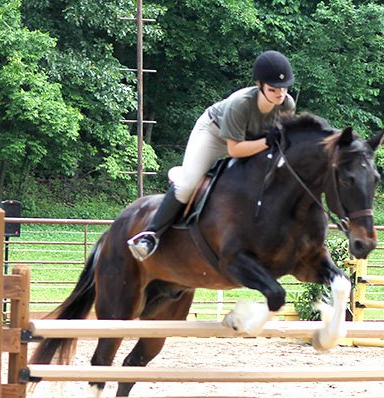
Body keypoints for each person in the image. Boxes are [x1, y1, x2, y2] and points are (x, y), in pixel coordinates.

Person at [127, 50, 297, 261]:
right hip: (213, 134)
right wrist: (266, 142)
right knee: (188, 185)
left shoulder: (287, 104)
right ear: (260, 85)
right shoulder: (241, 103)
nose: (280, 95)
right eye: (273, 89)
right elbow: (234, 149)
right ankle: (150, 236)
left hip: (251, 141)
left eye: (284, 88)